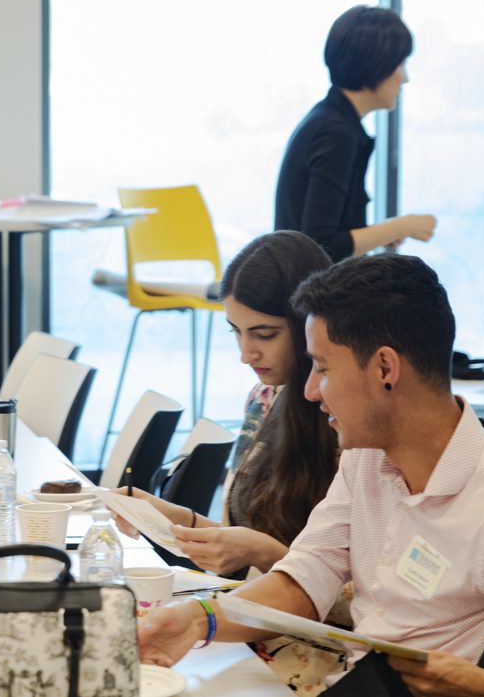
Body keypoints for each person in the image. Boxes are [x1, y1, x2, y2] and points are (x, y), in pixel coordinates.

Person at [139, 253, 484, 696]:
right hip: (356, 678)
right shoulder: (367, 457)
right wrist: (197, 621)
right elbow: (307, 578)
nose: (308, 391)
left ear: (385, 367)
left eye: (322, 368)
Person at [112, 231, 347, 691]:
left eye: (264, 334)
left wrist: (263, 553)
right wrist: (173, 519)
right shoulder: (263, 400)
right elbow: (242, 547)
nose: (246, 354)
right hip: (243, 625)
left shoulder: (347, 425)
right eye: (237, 333)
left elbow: (363, 606)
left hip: (310, 653)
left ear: (310, 326)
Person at [274, 6, 436, 262]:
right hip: (306, 299)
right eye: (401, 64)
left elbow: (324, 236)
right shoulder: (335, 133)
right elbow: (319, 246)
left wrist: (383, 232)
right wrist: (401, 227)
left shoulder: (330, 120)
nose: (405, 78)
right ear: (376, 63)